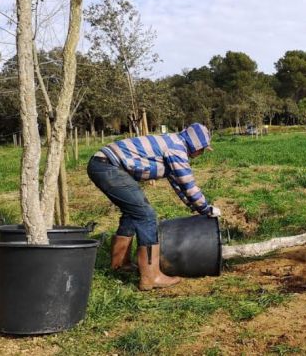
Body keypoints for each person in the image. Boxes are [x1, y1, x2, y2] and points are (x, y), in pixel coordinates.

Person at [87, 123, 220, 290]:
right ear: (195, 144)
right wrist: (206, 208)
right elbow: (187, 182)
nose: (201, 153)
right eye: (202, 149)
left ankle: (120, 264)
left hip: (103, 164)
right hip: (108, 166)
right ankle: (151, 276)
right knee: (146, 215)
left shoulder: (173, 143)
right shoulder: (176, 149)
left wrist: (194, 207)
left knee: (133, 212)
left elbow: (177, 183)